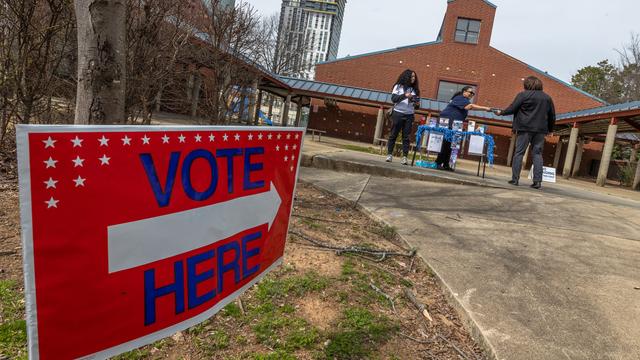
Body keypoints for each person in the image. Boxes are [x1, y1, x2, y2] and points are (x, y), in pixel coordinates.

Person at [496, 76, 556, 189]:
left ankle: (515, 180)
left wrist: (501, 112)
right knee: (537, 154)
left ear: (527, 84)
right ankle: (537, 182)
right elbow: (552, 115)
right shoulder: (547, 98)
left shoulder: (523, 95)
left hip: (524, 128)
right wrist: (551, 129)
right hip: (540, 130)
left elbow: (512, 108)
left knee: (519, 153)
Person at [435, 86, 492, 170]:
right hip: (447, 123)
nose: (471, 94)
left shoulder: (465, 101)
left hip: (455, 125)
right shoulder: (460, 98)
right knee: (446, 143)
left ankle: (446, 164)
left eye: (473, 93)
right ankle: (438, 163)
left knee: (451, 145)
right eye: (470, 92)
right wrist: (485, 108)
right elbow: (470, 106)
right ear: (464, 92)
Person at [386, 69, 421, 165]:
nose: (413, 78)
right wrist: (405, 95)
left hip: (409, 114)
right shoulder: (398, 86)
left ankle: (404, 157)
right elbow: (394, 99)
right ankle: (389, 154)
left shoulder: (415, 90)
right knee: (393, 134)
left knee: (406, 136)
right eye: (412, 76)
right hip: (398, 113)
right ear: (407, 77)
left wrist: (416, 103)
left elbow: (417, 106)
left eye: (414, 77)